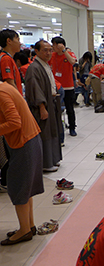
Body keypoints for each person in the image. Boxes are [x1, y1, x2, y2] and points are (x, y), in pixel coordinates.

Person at [0, 81, 44, 246]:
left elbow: (14, 122)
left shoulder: (1, 93)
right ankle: (29, 226)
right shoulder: (5, 87)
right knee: (26, 187)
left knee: (18, 186)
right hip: (30, 139)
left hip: (24, 143)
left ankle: (24, 230)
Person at [24, 40, 63, 173]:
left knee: (53, 130)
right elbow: (35, 89)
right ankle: (45, 163)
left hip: (51, 103)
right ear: (37, 51)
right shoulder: (34, 68)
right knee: (45, 132)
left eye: (50, 50)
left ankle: (52, 159)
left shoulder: (45, 65)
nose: (48, 53)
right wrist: (42, 107)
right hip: (42, 105)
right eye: (45, 50)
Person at [50, 36, 78, 137]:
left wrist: (64, 50)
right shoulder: (52, 55)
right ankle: (58, 128)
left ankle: (72, 127)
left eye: (54, 45)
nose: (52, 47)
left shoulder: (69, 54)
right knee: (56, 109)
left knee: (70, 108)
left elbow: (73, 62)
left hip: (68, 86)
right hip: (56, 86)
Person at [0, 29, 23, 94]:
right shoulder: (6, 59)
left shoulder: (7, 57)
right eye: (18, 40)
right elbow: (10, 83)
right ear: (9, 41)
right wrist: (20, 101)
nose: (20, 43)